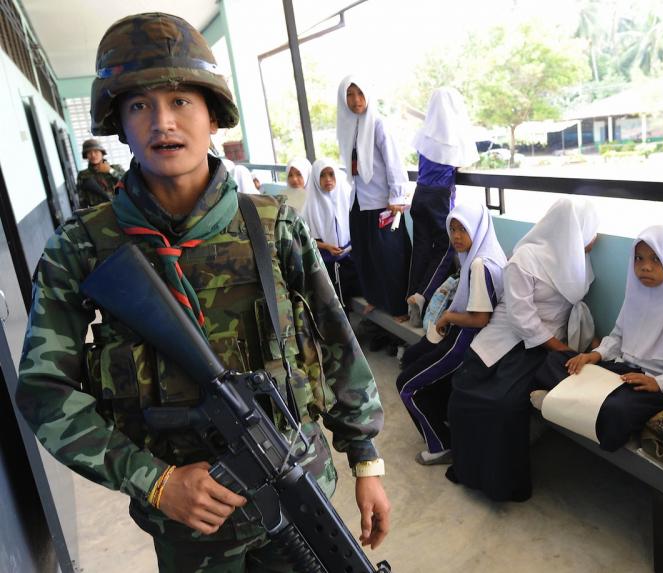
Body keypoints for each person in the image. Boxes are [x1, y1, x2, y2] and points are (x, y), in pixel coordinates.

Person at [15, 13, 390, 572]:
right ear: (119, 120)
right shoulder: (83, 247)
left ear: (213, 113)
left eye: (181, 101)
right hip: (189, 528)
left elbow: (336, 344)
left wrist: (365, 462)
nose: (162, 122)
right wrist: (155, 480)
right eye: (140, 105)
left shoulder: (273, 226)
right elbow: (44, 390)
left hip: (297, 493)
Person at [446, 198, 599, 502]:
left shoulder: (577, 262)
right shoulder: (525, 258)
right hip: (510, 338)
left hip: (541, 346)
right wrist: (562, 349)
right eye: (591, 231)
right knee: (466, 394)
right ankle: (470, 470)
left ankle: (504, 483)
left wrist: (590, 346)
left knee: (504, 405)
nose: (595, 239)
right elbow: (521, 318)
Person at [534, 225, 663, 451]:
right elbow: (618, 336)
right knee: (557, 360)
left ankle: (563, 400)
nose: (645, 267)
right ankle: (573, 400)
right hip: (625, 372)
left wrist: (659, 382)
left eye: (656, 259)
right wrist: (594, 355)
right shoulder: (637, 292)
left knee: (618, 409)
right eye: (639, 258)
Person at [397, 201, 506, 465]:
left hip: (463, 342)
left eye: (463, 229)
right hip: (465, 338)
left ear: (477, 229)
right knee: (412, 362)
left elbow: (480, 318)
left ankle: (441, 446)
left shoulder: (479, 264)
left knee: (406, 387)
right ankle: (445, 429)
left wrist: (447, 316)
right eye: (452, 228)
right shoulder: (487, 254)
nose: (456, 236)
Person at [337, 74, 412, 321]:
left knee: (390, 256)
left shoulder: (378, 124)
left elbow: (394, 162)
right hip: (359, 202)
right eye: (350, 94)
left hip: (382, 202)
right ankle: (375, 298)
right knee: (364, 254)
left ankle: (399, 307)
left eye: (360, 93)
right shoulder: (348, 126)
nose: (356, 100)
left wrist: (397, 195)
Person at [406, 87, 479, 326]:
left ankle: (409, 297)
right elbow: (465, 162)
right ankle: (422, 296)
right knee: (448, 246)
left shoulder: (425, 133)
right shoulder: (455, 136)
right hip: (439, 197)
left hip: (419, 195)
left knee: (422, 250)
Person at [302, 158, 360, 310]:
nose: (328, 179)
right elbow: (304, 238)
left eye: (331, 174)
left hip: (350, 256)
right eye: (322, 175)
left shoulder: (347, 195)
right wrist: (326, 246)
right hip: (324, 258)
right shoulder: (310, 204)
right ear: (315, 178)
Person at [76, 138, 124, 208]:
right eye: (89, 152)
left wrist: (110, 171)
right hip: (100, 213)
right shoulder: (83, 175)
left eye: (96, 151)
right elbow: (82, 200)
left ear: (102, 153)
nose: (93, 155)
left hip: (121, 207)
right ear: (86, 155)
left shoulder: (116, 168)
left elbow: (128, 183)